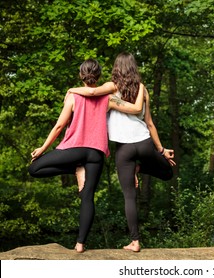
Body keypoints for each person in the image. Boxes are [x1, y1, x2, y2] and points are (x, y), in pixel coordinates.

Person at [28, 58, 145, 253]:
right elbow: (133, 109)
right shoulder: (108, 98)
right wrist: (141, 91)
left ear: (81, 75)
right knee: (88, 197)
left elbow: (58, 126)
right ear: (98, 75)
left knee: (34, 168)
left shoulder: (73, 96)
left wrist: (43, 147)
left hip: (74, 149)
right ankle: (80, 244)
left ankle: (76, 167)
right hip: (96, 153)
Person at [68, 52, 175, 252]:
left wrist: (71, 89)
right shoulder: (142, 89)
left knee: (129, 196)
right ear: (134, 67)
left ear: (116, 68)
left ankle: (135, 242)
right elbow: (149, 123)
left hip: (124, 149)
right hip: (144, 143)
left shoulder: (111, 87)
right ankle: (140, 166)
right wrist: (161, 149)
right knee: (168, 172)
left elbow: (91, 94)